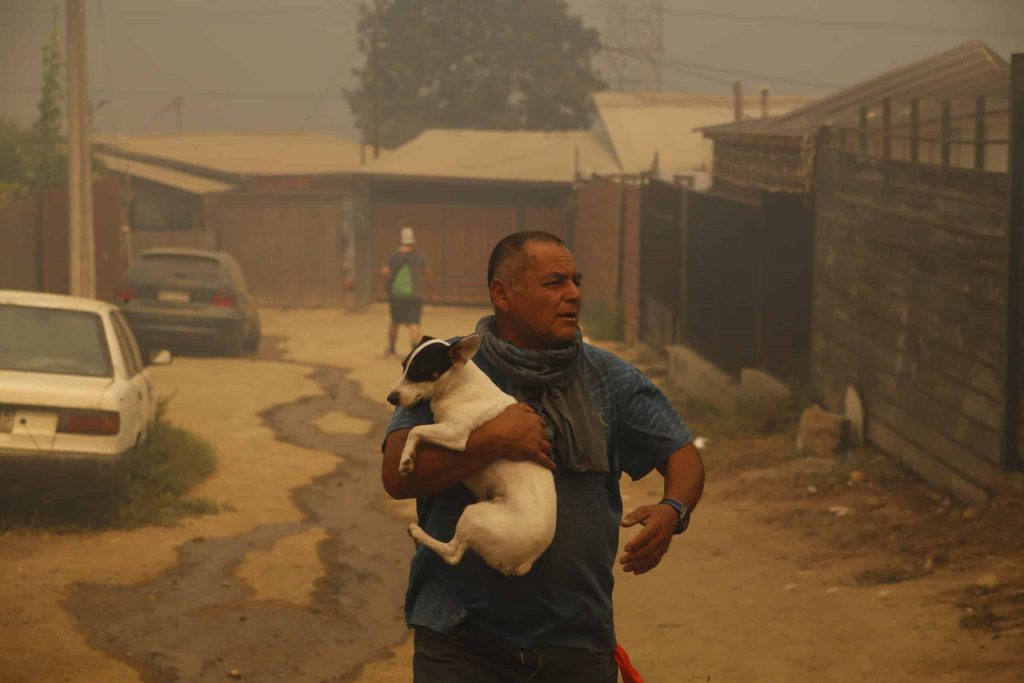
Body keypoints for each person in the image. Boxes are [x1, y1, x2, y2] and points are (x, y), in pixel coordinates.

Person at [381, 230, 705, 682]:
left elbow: (682, 454)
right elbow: (397, 475)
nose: (573, 294)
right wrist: (493, 441)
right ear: (502, 294)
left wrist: (674, 510)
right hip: (460, 641)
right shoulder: (446, 367)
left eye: (576, 281)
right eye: (554, 283)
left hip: (575, 642)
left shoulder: (610, 379)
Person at [380, 226, 435, 355]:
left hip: (397, 295)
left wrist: (386, 285)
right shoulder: (420, 255)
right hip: (415, 295)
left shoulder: (394, 256)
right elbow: (429, 273)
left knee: (395, 322)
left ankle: (391, 348)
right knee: (414, 323)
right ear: (413, 240)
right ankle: (415, 351)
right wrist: (431, 291)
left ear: (401, 240)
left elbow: (384, 272)